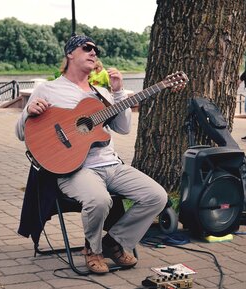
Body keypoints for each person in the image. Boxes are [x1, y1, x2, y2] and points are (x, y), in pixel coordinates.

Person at [15, 35, 167, 274]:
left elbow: (123, 128)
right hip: (75, 169)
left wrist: (117, 93)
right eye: (87, 48)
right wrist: (27, 113)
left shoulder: (101, 93)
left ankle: (114, 242)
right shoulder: (48, 89)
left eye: (96, 49)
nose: (93, 52)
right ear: (70, 54)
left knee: (157, 196)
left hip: (112, 165)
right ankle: (92, 251)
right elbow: (21, 133)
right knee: (99, 199)